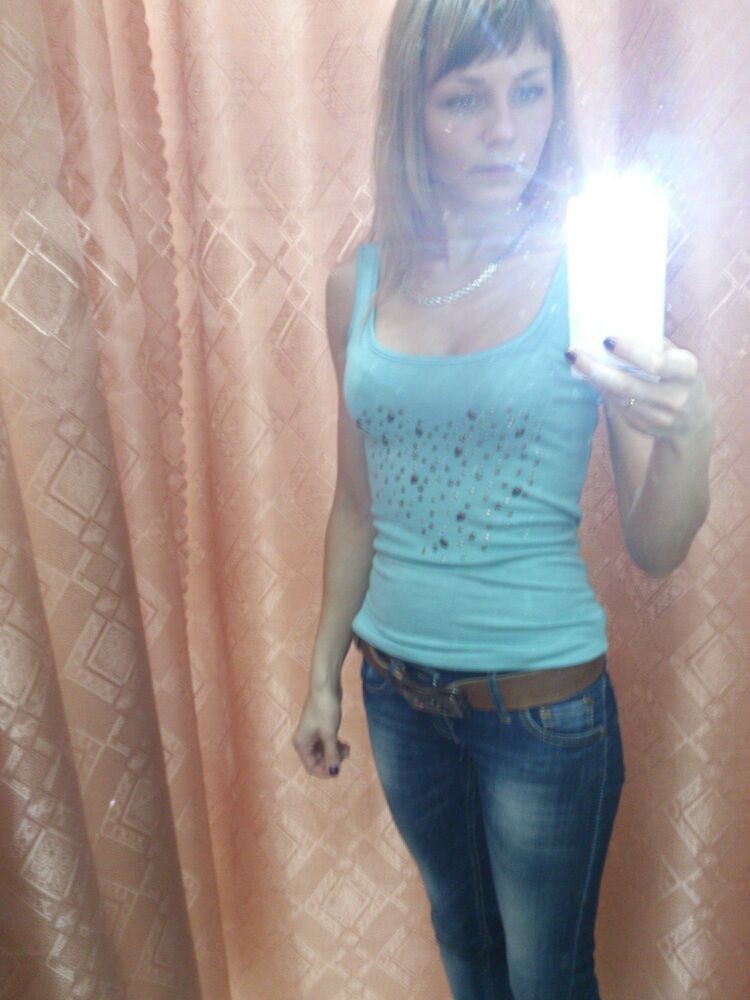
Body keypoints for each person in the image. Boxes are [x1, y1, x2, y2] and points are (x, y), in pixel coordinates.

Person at [293, 1, 713, 997]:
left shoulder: (586, 281)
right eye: (465, 99)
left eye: (529, 90)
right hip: (396, 698)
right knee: (466, 954)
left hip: (542, 715)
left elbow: (655, 546)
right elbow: (356, 505)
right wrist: (320, 673)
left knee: (547, 980)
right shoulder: (357, 286)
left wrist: (690, 435)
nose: (505, 130)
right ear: (412, 110)